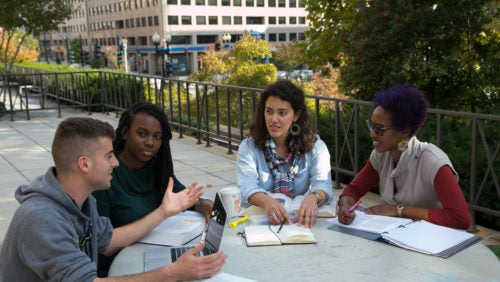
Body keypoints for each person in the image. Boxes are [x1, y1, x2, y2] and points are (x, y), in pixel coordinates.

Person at [0, 117, 226, 281]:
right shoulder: (42, 219)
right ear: (84, 164)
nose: (116, 163)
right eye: (109, 156)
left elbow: (108, 240)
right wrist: (172, 273)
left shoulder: (82, 201)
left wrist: (164, 211)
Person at [92, 102, 214, 276]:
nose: (150, 142)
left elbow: (183, 198)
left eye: (157, 137)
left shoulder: (158, 169)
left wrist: (204, 204)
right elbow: (102, 245)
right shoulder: (105, 176)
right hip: (118, 268)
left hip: (155, 255)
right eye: (142, 134)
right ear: (125, 132)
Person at [337, 84, 471, 229]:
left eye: (379, 129)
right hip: (394, 239)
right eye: (372, 126)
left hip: (430, 243)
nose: (372, 134)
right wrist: (345, 205)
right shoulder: (381, 155)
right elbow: (355, 189)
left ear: (405, 131)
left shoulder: (432, 161)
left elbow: (460, 218)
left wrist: (398, 210)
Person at [237, 80, 334, 228]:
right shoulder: (249, 146)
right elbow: (247, 187)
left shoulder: (316, 147)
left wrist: (313, 197)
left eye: (282, 113)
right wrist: (267, 201)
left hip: (299, 224)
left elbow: (323, 184)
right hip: (260, 223)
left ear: (296, 115)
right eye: (268, 111)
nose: (273, 119)